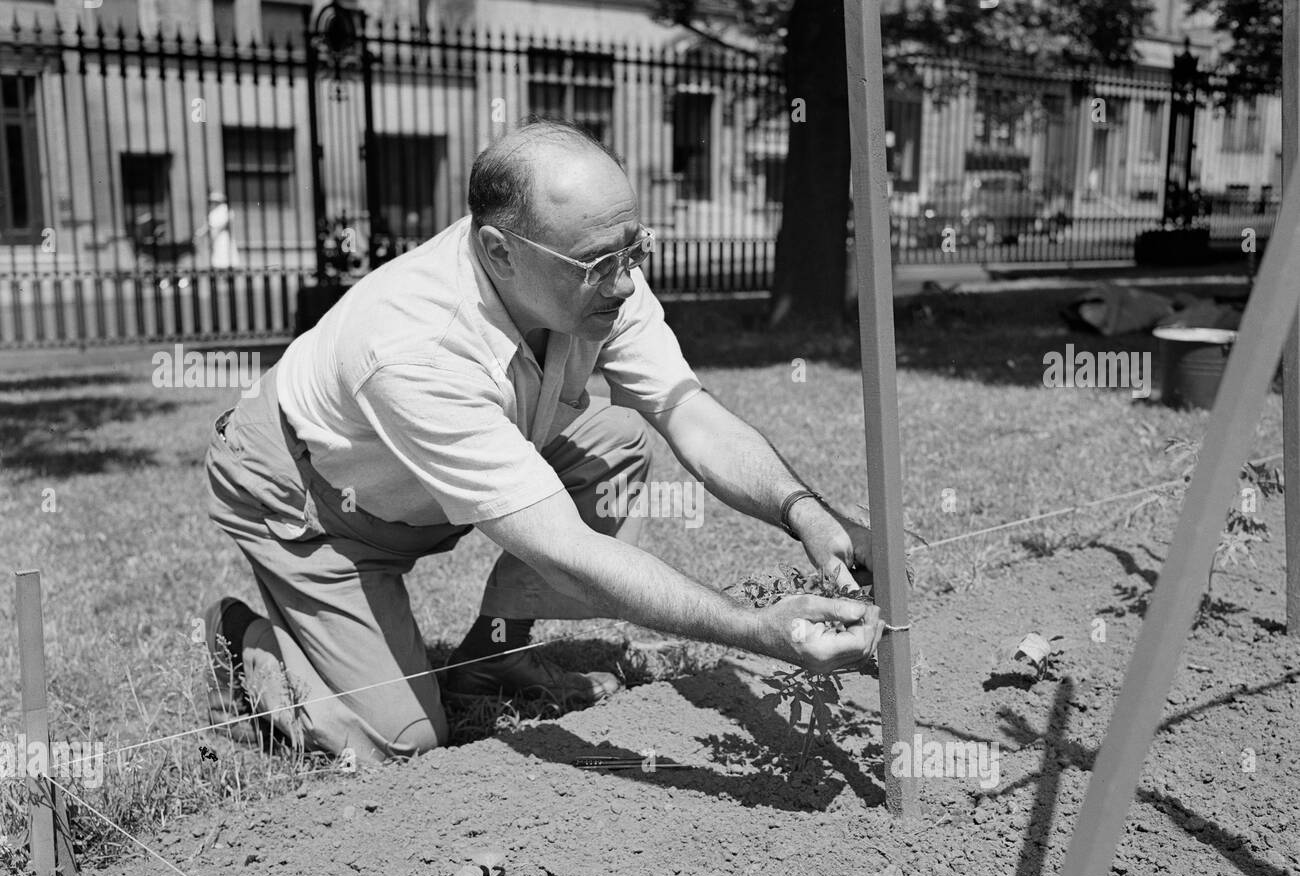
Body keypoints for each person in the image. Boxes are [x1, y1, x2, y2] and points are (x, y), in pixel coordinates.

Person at [202, 120, 883, 763]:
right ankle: (245, 638)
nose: (625, 279)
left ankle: (493, 653)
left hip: (423, 485)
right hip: (313, 500)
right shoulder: (416, 347)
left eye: (634, 247)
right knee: (400, 738)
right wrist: (754, 628)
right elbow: (568, 552)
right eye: (597, 262)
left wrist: (805, 510)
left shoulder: (596, 274)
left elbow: (689, 414)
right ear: (500, 251)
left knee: (619, 441)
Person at [195, 190, 240, 269]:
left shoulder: (224, 210)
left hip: (223, 239)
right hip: (217, 240)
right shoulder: (215, 212)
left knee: (224, 259)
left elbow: (213, 226)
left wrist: (201, 233)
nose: (212, 203)